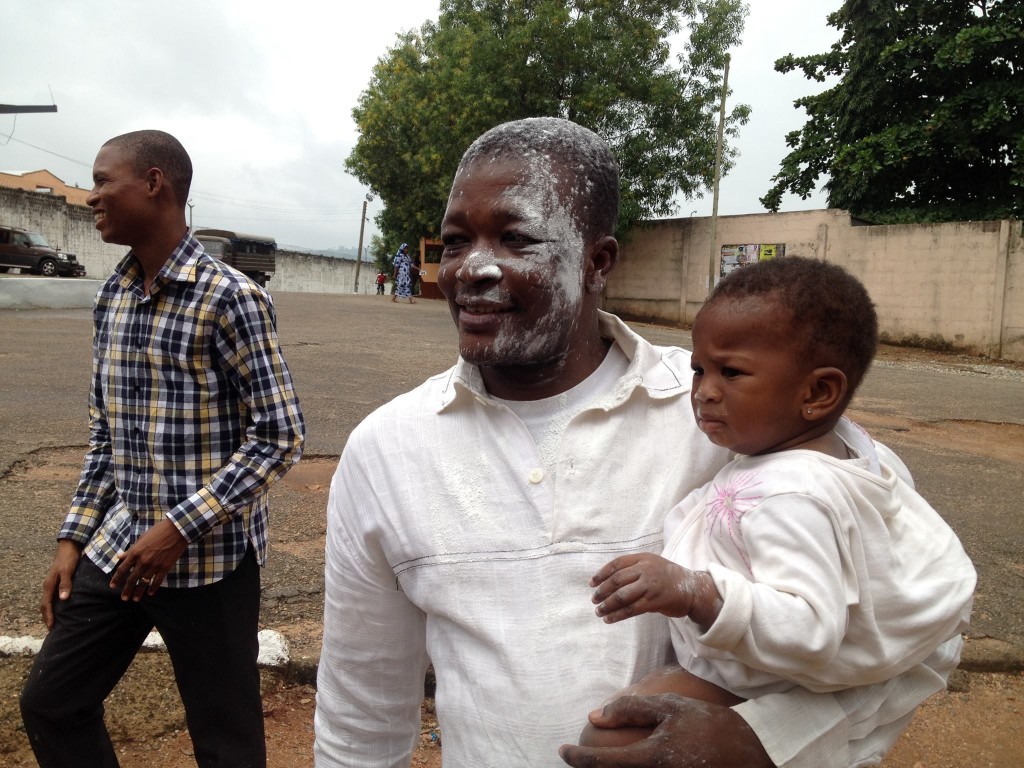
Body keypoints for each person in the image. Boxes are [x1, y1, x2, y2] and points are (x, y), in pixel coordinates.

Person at [313, 117, 954, 768]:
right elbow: (360, 719)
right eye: (456, 241)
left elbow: (928, 622)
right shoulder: (386, 452)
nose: (472, 269)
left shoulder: (733, 417)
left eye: (516, 238)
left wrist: (765, 742)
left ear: (599, 262)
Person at [577, 256, 976, 755]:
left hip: (765, 680)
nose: (703, 392)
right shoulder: (848, 450)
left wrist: (696, 592)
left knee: (610, 736)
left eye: (731, 372)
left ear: (818, 393)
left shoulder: (791, 494)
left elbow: (810, 629)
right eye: (699, 369)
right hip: (773, 671)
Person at [19, 130, 305, 768]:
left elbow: (280, 436)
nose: (91, 197)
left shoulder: (231, 297)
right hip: (122, 548)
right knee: (51, 702)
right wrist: (73, 537)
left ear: (155, 184)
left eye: (103, 181)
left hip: (213, 564)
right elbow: (106, 434)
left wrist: (178, 528)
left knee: (226, 744)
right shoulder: (112, 298)